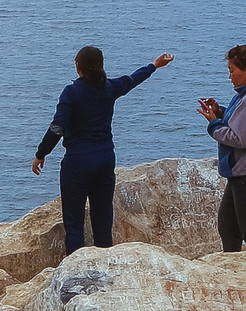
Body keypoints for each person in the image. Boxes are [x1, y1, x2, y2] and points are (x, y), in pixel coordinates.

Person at [33, 46, 174, 256]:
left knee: (74, 221)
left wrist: (41, 153)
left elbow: (57, 128)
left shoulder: (71, 92)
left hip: (77, 163)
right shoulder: (109, 88)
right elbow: (133, 79)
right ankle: (105, 262)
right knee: (103, 218)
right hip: (104, 160)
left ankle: (76, 266)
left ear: (79, 67)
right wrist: (154, 65)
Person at [199, 38, 246, 252]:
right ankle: (231, 261)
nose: (230, 76)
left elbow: (240, 139)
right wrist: (220, 112)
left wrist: (213, 124)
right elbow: (239, 122)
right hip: (241, 173)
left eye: (232, 71)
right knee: (228, 226)